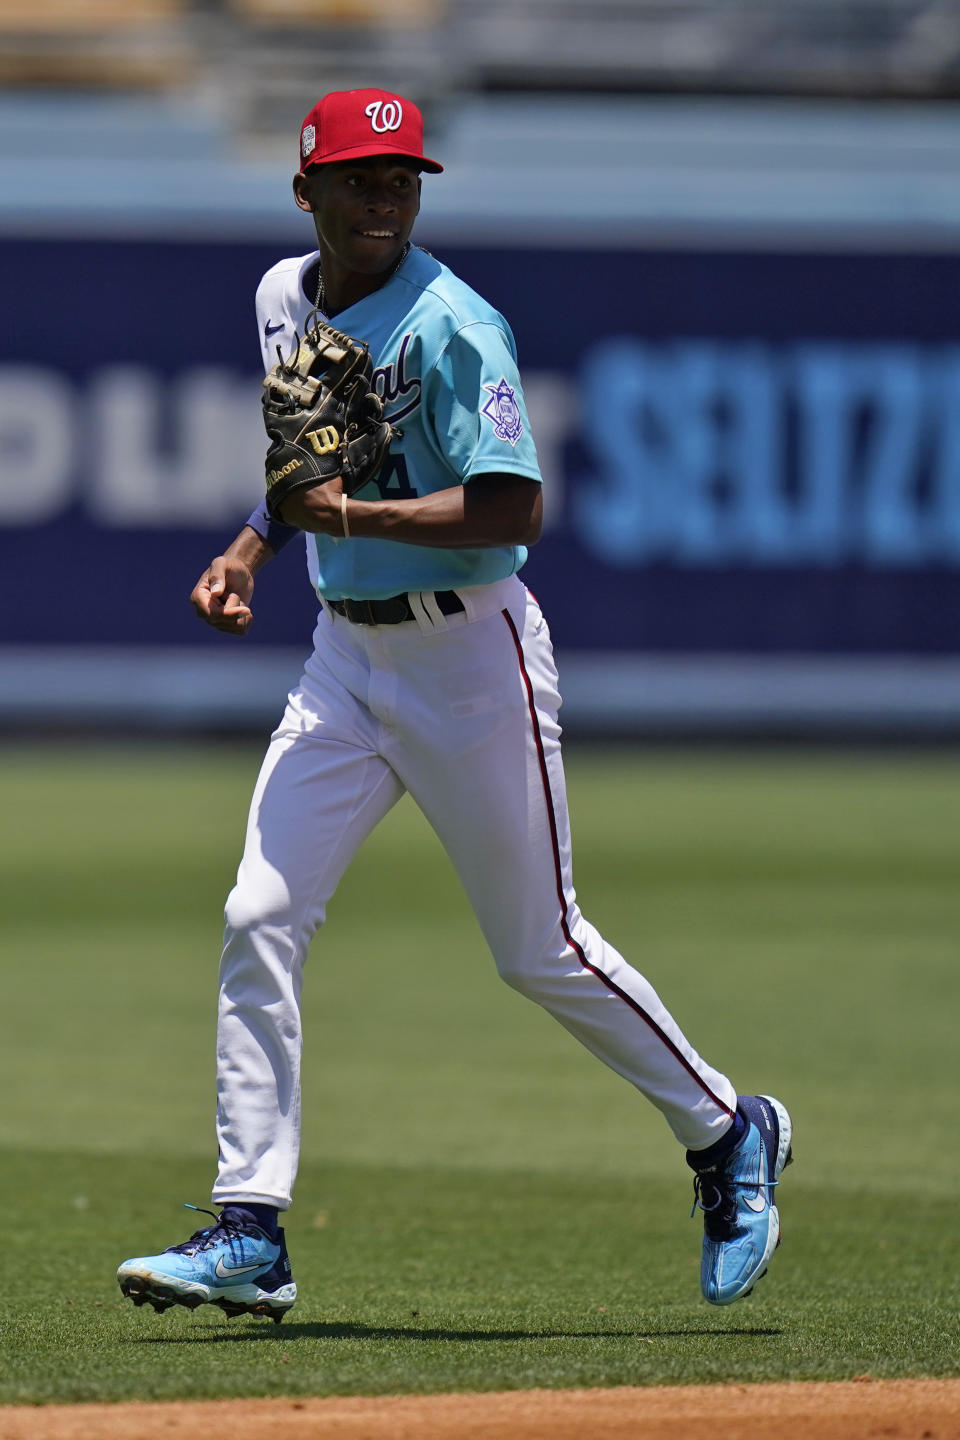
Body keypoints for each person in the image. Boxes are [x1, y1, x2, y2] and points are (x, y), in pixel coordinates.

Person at [117, 88, 792, 1323]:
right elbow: (307, 470)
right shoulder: (282, 296)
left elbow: (513, 511)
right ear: (306, 192)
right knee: (258, 912)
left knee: (540, 948)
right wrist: (255, 549)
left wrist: (350, 519)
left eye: (403, 180)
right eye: (362, 179)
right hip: (343, 661)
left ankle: (727, 1129)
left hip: (470, 659)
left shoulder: (456, 324)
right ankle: (251, 1228)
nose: (385, 201)